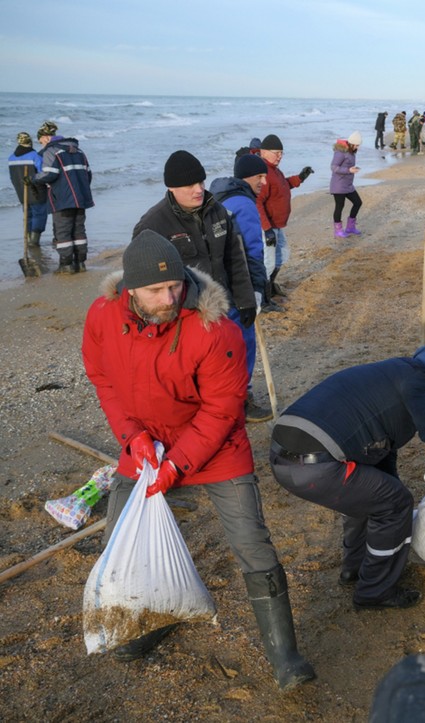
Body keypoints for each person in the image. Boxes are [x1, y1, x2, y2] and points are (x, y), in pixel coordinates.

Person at [81, 231, 315, 690]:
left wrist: (177, 466)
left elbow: (223, 410)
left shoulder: (216, 329)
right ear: (130, 289)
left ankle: (285, 657)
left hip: (216, 447)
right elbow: (102, 377)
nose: (169, 298)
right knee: (119, 540)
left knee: (252, 543)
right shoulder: (103, 316)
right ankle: (152, 619)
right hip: (145, 444)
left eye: (174, 287)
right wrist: (132, 437)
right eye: (155, 291)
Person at [269, 344, 425, 609]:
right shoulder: (420, 377)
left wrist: (390, 481)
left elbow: (382, 453)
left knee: (370, 495)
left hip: (283, 454)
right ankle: (375, 591)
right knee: (396, 504)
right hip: (316, 464)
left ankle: (356, 569)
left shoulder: (387, 377)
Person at [133, 150, 259, 361]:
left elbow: (235, 259)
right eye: (190, 185)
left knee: (238, 351)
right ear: (171, 188)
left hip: (226, 302)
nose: (199, 190)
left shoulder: (218, 212)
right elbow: (142, 283)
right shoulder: (152, 226)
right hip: (186, 313)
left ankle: (243, 391)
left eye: (201, 182)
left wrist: (247, 301)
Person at [210, 153, 276, 423]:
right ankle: (241, 400)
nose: (263, 181)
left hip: (217, 283)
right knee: (242, 343)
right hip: (239, 287)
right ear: (246, 177)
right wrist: (257, 289)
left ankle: (222, 399)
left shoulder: (217, 197)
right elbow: (252, 250)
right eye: (259, 176)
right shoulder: (244, 204)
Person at [256, 133, 314, 300]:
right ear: (263, 152)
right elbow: (257, 202)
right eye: (276, 152)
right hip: (268, 226)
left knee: (282, 256)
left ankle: (271, 287)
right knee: (268, 263)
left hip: (277, 225)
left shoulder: (275, 170)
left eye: (281, 153)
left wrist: (301, 177)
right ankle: (264, 299)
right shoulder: (264, 173)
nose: (280, 156)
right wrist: (266, 230)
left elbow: (283, 186)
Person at [33, 120, 93, 274]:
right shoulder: (78, 151)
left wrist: (33, 179)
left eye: (40, 142)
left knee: (63, 232)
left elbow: (49, 174)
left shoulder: (51, 151)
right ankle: (80, 263)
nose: (41, 145)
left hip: (63, 199)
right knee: (79, 230)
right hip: (81, 199)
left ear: (46, 138)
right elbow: (88, 174)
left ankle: (66, 266)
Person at [8, 131, 49, 247]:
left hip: (21, 192)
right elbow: (43, 174)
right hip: (37, 191)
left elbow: (12, 177)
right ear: (29, 142)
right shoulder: (35, 156)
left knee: (27, 215)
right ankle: (34, 241)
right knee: (39, 214)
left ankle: (29, 238)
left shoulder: (11, 158)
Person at [330, 132, 362, 238]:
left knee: (358, 202)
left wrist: (353, 169)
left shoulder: (352, 151)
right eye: (356, 145)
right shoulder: (340, 152)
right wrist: (349, 170)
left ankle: (350, 227)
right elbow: (334, 167)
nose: (357, 147)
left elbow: (348, 165)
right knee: (340, 206)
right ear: (351, 143)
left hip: (348, 184)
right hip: (338, 185)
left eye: (358, 145)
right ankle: (338, 231)